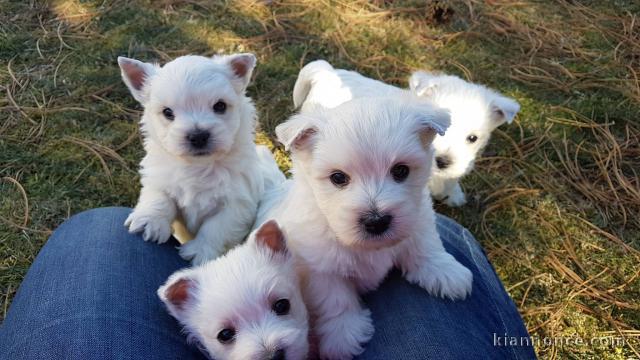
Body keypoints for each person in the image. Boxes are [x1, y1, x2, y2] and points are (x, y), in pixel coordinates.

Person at [0, 207, 536, 359]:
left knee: (98, 228)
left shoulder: (282, 256)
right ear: (186, 315)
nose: (268, 345)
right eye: (228, 336)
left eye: (282, 305)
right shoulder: (186, 296)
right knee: (436, 226)